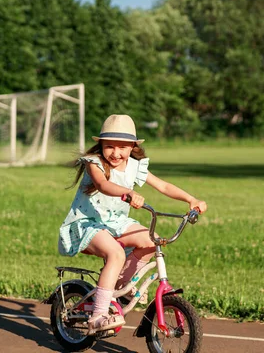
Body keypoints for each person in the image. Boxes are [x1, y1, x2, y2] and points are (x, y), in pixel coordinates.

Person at [58, 114, 208, 335]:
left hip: (116, 223)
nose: (116, 153)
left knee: (150, 240)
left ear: (133, 147)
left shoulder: (134, 166)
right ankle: (98, 315)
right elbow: (103, 184)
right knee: (116, 254)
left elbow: (163, 186)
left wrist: (191, 199)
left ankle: (120, 285)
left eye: (123, 147)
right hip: (88, 224)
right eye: (109, 146)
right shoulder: (95, 163)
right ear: (100, 145)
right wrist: (127, 192)